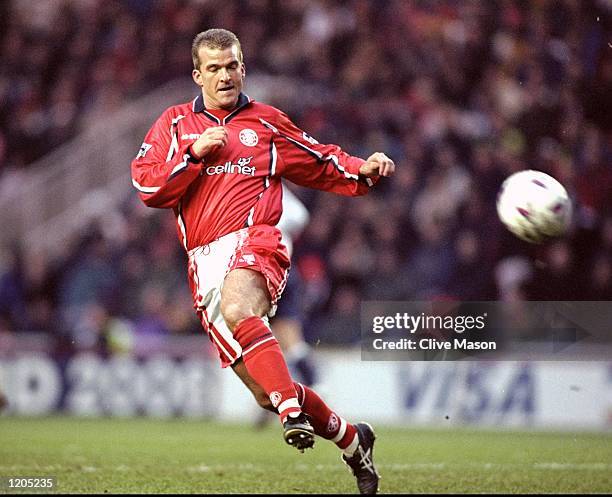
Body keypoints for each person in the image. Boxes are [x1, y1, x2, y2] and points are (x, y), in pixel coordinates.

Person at [131, 28, 395, 494]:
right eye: (214, 68)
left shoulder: (267, 123)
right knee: (264, 392)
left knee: (241, 310)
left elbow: (320, 160)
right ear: (198, 75)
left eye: (232, 65)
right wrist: (193, 155)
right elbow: (148, 187)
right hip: (203, 263)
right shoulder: (174, 125)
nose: (225, 75)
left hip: (257, 242)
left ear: (243, 68)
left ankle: (293, 414)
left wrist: (362, 168)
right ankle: (354, 440)